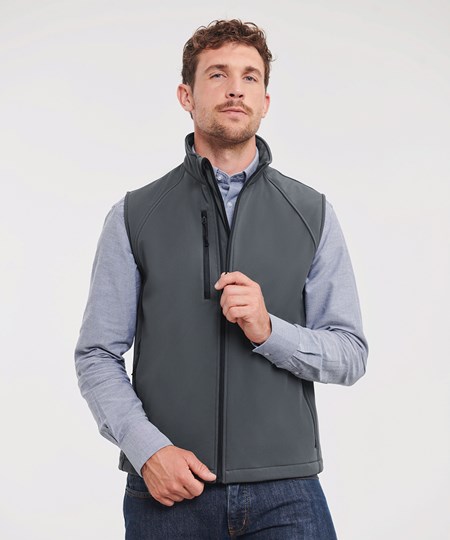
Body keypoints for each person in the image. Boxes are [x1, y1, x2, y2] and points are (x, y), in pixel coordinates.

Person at [75, 19, 368, 539]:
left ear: (265, 101)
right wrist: (148, 451)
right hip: (168, 489)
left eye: (250, 77)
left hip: (287, 491)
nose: (236, 88)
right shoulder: (134, 215)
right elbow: (97, 354)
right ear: (186, 96)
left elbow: (350, 353)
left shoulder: (312, 213)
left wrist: (269, 330)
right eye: (218, 74)